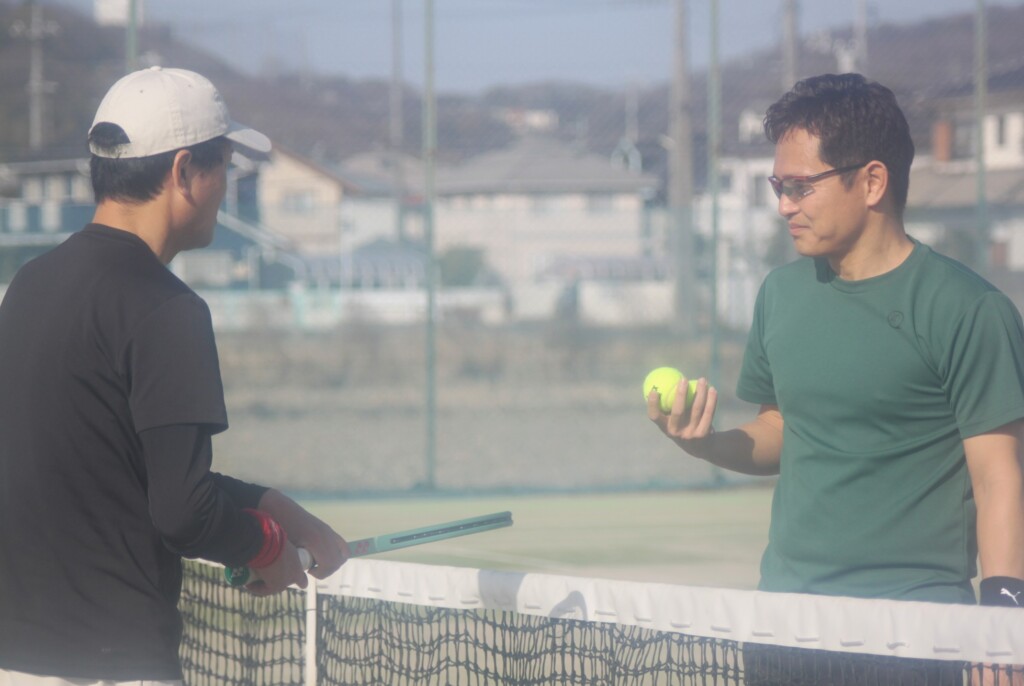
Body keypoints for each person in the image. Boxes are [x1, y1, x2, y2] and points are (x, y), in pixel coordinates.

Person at [649, 73, 1024, 676]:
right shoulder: (779, 294)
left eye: (801, 186)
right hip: (783, 626)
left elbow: (998, 478)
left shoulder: (970, 309)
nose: (784, 205)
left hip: (914, 636)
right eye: (779, 186)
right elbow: (782, 430)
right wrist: (703, 443)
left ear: (872, 181)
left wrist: (1003, 630)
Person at [0, 67, 349, 684]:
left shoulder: (30, 286)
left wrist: (269, 506)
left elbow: (118, 468)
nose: (225, 190)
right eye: (225, 169)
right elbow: (183, 513)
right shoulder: (167, 309)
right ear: (185, 171)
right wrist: (266, 547)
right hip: (116, 665)